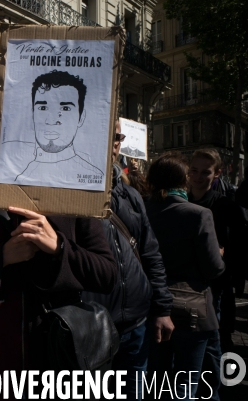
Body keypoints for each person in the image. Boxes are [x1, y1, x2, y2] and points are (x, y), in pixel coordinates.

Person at [0, 95, 117, 401]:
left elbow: (107, 274)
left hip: (55, 369)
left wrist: (58, 247)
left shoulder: (70, 192)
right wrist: (0, 258)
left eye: (6, 119)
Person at [83, 121, 174, 401]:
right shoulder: (68, 196)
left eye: (117, 137)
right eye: (105, 134)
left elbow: (150, 254)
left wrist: (161, 309)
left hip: (135, 324)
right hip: (90, 326)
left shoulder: (131, 195)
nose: (113, 143)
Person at [145, 152, 225, 400]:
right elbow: (214, 268)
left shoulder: (141, 211)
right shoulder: (198, 214)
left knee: (156, 384)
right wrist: (220, 254)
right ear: (184, 181)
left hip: (151, 307)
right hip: (193, 312)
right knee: (185, 386)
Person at [187, 149, 244, 399]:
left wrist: (223, 259)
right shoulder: (181, 201)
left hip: (216, 289)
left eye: (206, 172)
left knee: (214, 345)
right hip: (187, 287)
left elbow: (239, 247)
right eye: (194, 171)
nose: (198, 177)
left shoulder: (226, 206)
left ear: (217, 174)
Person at [13, 70, 103, 185]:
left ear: (81, 117)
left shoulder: (94, 179)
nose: (51, 120)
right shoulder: (17, 176)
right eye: (43, 108)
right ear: (32, 114)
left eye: (65, 108)